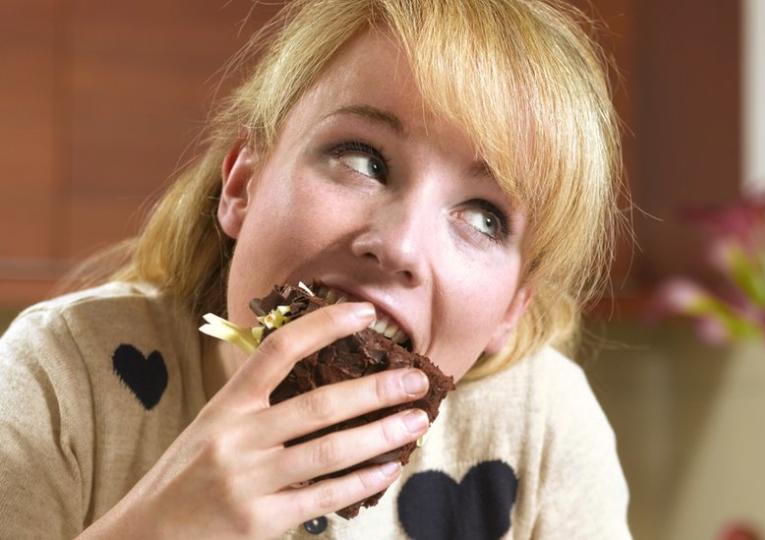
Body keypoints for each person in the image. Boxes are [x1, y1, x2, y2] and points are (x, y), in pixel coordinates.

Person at [0, 0, 630, 537]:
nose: (401, 246)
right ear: (243, 185)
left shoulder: (539, 427)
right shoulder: (65, 374)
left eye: (485, 217)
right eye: (363, 160)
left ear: (512, 308)